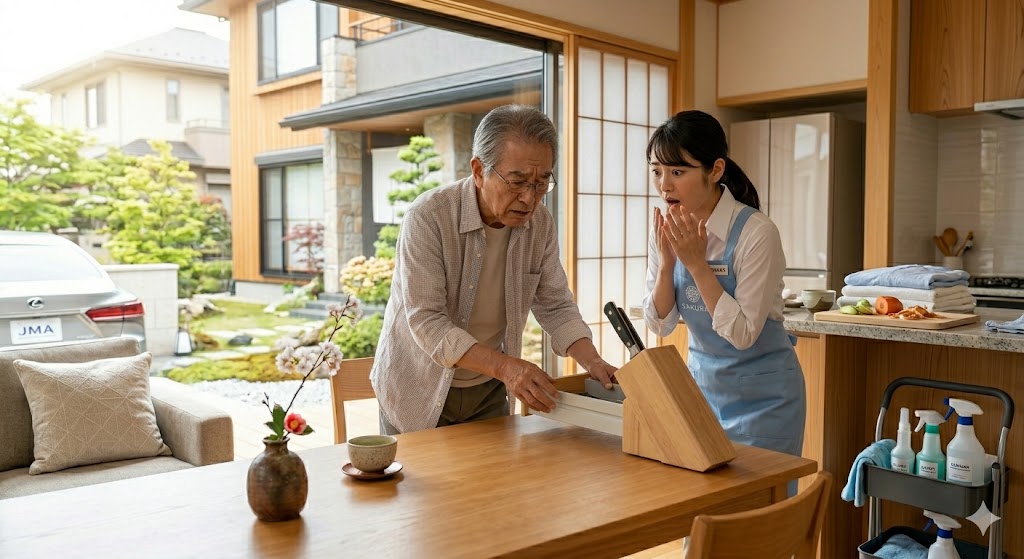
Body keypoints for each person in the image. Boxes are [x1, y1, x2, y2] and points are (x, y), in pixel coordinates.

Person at [371, 104, 617, 435]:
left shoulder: (539, 224)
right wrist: (508, 368)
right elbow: (426, 320)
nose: (529, 198)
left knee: (494, 486)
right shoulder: (428, 217)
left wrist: (594, 363)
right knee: (421, 488)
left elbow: (555, 304)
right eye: (517, 181)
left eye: (542, 182)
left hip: (487, 389)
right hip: (417, 386)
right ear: (478, 170)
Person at [641, 110, 806, 459]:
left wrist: (697, 265)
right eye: (656, 171)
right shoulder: (668, 230)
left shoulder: (756, 233)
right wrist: (668, 263)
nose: (664, 185)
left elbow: (743, 333)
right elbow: (660, 323)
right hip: (701, 393)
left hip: (766, 402)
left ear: (715, 170)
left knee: (760, 507)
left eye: (677, 172)